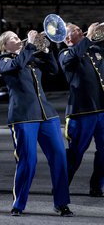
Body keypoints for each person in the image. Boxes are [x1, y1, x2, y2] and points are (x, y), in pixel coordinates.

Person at [0, 30, 73, 216]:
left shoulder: (30, 57)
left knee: (59, 157)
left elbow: (54, 70)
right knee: (28, 160)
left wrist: (46, 50)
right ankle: (18, 204)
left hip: (46, 114)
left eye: (17, 36)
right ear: (5, 46)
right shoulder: (3, 60)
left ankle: (61, 203)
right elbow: (16, 64)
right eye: (13, 38)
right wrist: (30, 44)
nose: (18, 39)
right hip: (23, 116)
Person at [58, 22, 104, 197]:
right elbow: (73, 56)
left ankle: (96, 186)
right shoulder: (65, 54)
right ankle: (62, 187)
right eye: (76, 30)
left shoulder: (94, 49)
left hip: (101, 108)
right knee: (76, 153)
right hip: (81, 111)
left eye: (79, 29)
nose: (81, 31)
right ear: (68, 38)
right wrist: (91, 36)